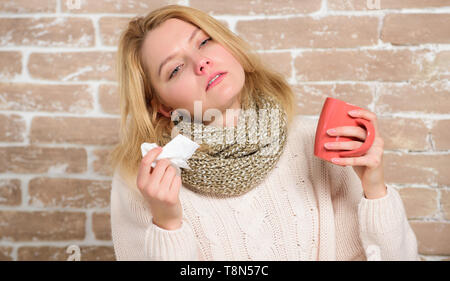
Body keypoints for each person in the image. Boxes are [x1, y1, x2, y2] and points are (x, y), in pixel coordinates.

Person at [109, 5, 419, 261]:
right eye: (174, 69)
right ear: (161, 106)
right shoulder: (144, 183)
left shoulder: (316, 141)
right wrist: (168, 225)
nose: (200, 62)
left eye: (204, 42)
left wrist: (374, 189)